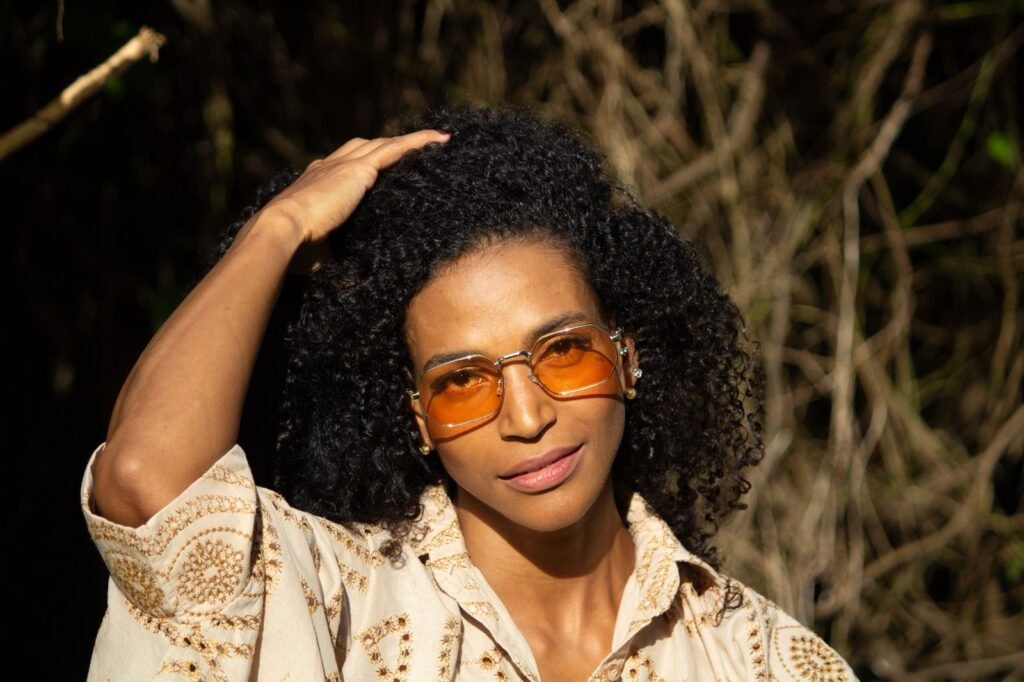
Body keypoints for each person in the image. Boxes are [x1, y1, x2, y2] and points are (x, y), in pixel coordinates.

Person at [80, 103, 858, 681]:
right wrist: (276, 229)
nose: (527, 416)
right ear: (417, 416)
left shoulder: (764, 660)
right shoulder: (333, 603)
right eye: (461, 381)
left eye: (564, 352)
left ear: (626, 355)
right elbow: (146, 483)